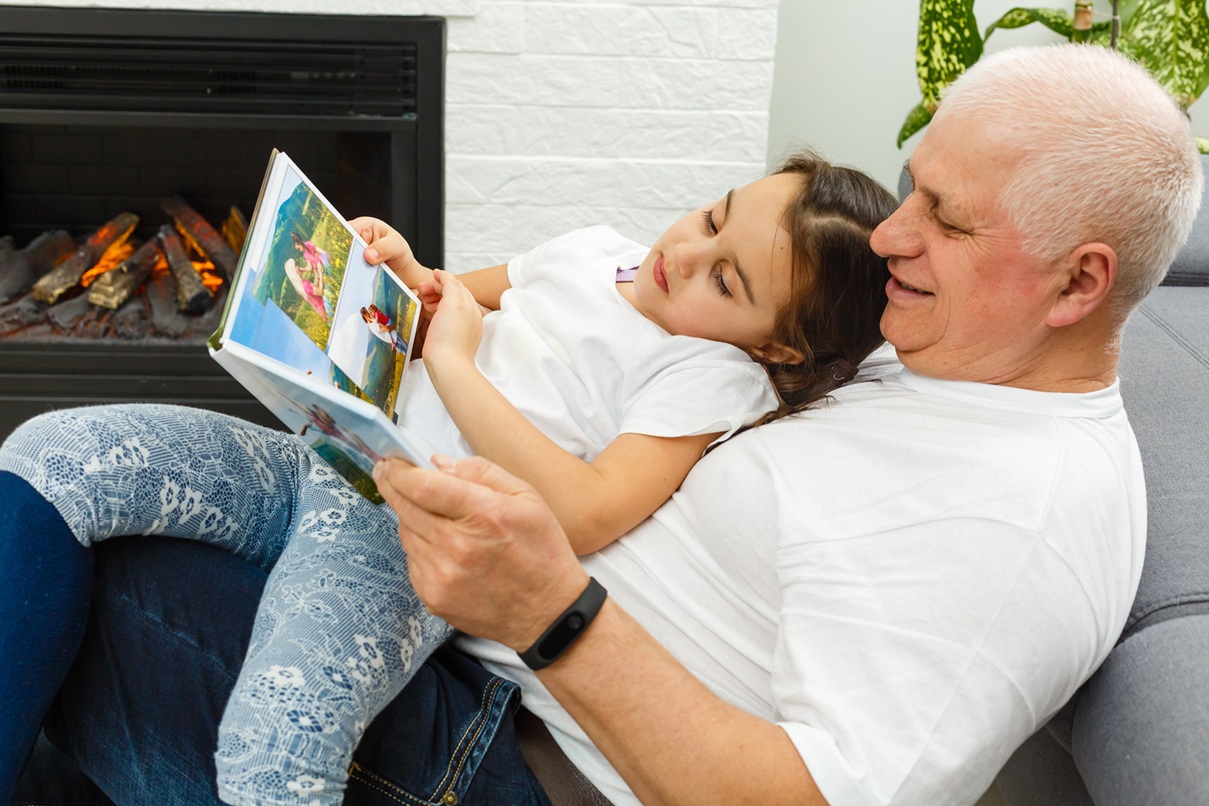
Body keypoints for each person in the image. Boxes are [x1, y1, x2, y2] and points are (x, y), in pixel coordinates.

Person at [6, 43, 1204, 805]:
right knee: (52, 472)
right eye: (912, 187)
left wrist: (550, 608)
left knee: (87, 583)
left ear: (1078, 282)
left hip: (505, 752)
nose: (895, 234)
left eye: (943, 217)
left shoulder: (1019, 520)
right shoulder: (938, 341)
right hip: (431, 564)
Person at [0, 152, 897, 805]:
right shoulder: (595, 250)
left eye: (727, 280)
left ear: (775, 345)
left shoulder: (708, 376)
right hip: (326, 456)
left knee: (277, 744)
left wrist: (459, 366)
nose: (685, 255)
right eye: (711, 217)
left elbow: (582, 514)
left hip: (403, 544)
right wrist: (394, 270)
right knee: (53, 457)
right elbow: (440, 298)